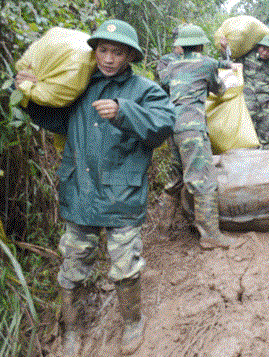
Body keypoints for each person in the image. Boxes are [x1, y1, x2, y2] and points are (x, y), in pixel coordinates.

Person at [15, 19, 176, 356]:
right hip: (81, 191)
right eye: (103, 50)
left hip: (123, 194)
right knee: (72, 266)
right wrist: (29, 97)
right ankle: (71, 328)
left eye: (117, 52)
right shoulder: (80, 87)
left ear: (130, 56)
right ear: (95, 52)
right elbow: (56, 120)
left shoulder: (145, 90)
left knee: (125, 267)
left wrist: (124, 111)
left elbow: (163, 125)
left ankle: (133, 321)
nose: (108, 58)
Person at [158, 24, 237, 249]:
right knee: (204, 180)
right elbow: (219, 89)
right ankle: (210, 234)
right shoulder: (206, 63)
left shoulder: (171, 66)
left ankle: (164, 230)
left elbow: (165, 85)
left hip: (172, 128)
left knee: (174, 180)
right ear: (201, 45)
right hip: (193, 129)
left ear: (181, 46)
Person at [221, 34, 269, 148]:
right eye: (264, 49)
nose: (265, 53)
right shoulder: (246, 57)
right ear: (259, 47)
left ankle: (263, 159)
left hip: (266, 106)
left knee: (265, 137)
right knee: (246, 135)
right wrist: (224, 48)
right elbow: (229, 62)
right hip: (248, 105)